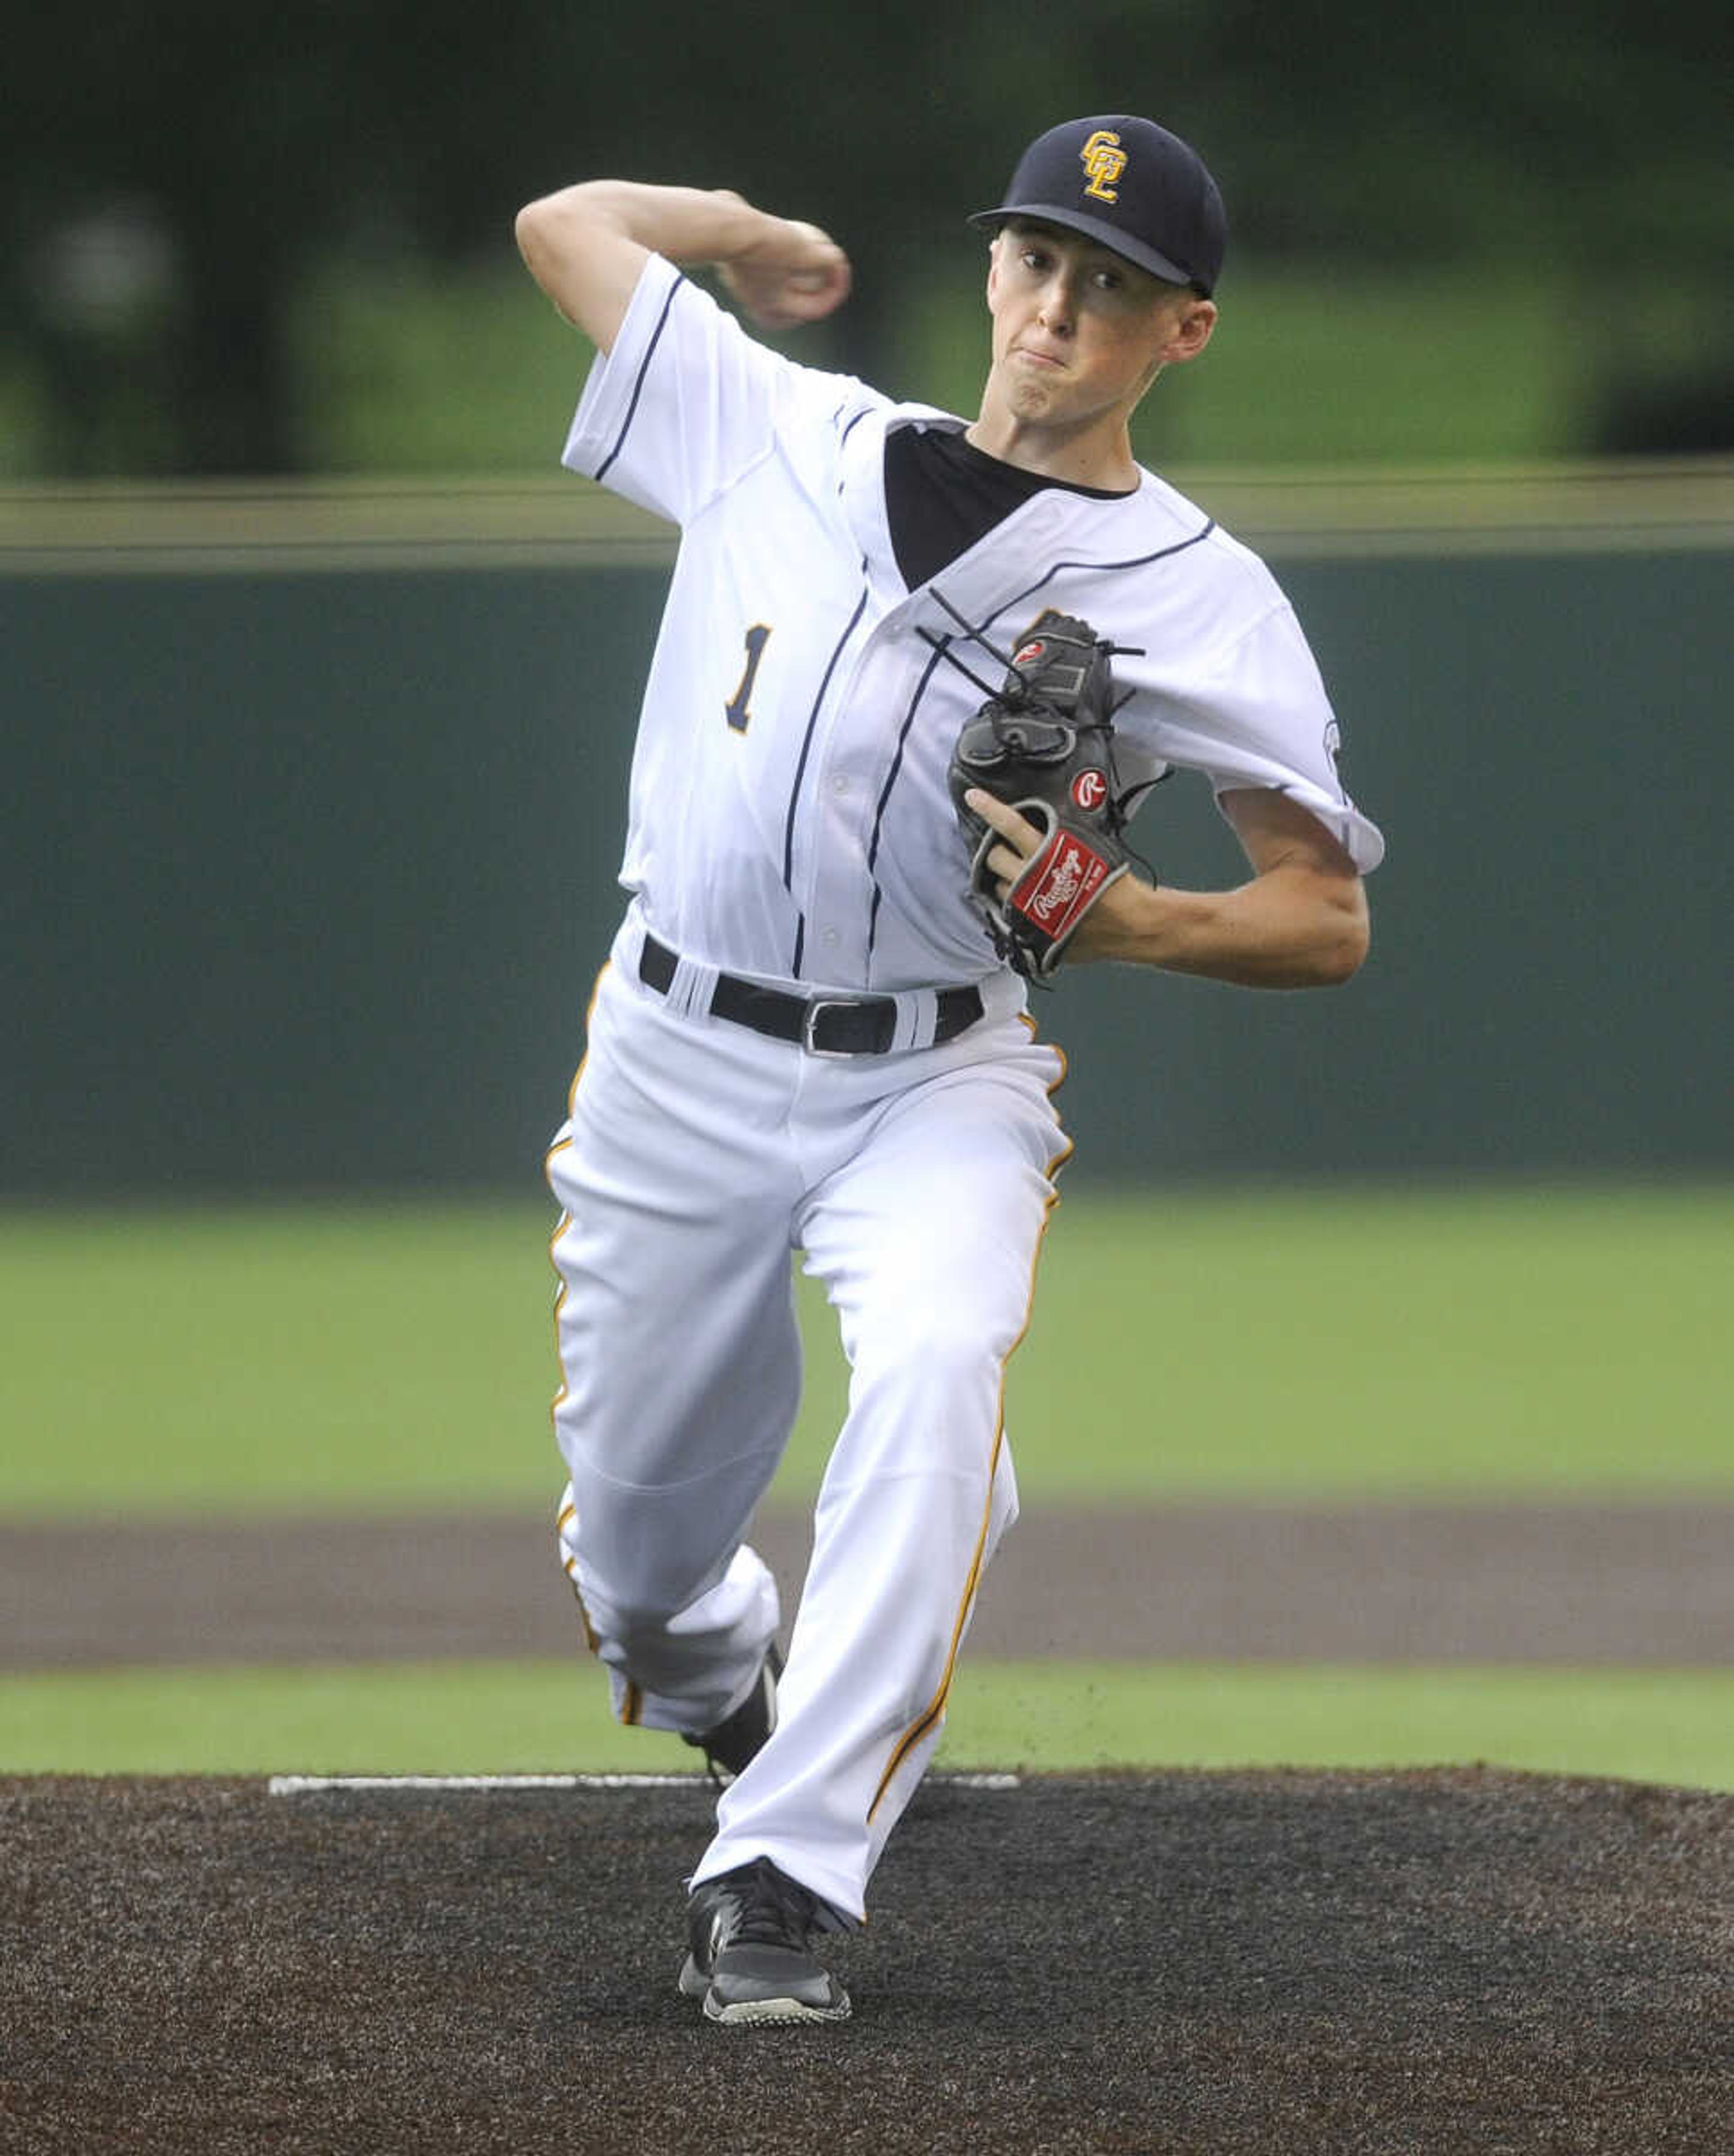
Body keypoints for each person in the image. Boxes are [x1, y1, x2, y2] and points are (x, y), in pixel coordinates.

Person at [514, 112, 1383, 2027]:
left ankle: (783, 1879)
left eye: (1117, 288)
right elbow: (564, 224)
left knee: (932, 1366)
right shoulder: (780, 429)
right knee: (647, 1566)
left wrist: (1134, 917)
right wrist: (741, 228)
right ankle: (722, 1669)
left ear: (1187, 333)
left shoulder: (1194, 589)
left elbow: (1324, 915)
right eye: (1040, 264)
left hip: (936, 1078)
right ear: (995, 270)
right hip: (671, 1050)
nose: (1063, 307)